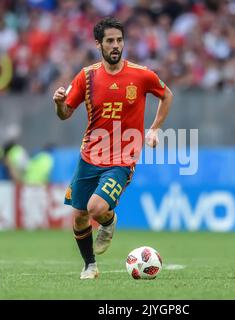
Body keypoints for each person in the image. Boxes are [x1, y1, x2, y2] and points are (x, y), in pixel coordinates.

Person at [52, 17, 173, 279]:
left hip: (122, 157)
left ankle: (108, 220)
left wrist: (153, 128)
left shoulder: (141, 75)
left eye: (119, 40)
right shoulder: (87, 76)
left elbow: (167, 95)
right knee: (80, 216)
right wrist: (59, 103)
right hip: (89, 156)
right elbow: (65, 113)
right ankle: (90, 266)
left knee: (96, 208)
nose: (116, 45)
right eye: (110, 41)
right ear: (99, 44)